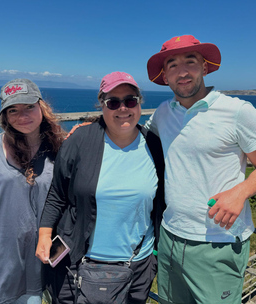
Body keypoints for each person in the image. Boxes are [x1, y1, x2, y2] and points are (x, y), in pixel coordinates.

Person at [145, 35, 256, 304]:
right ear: (165, 76)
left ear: (205, 68)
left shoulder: (237, 111)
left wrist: (240, 192)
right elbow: (132, 135)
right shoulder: (163, 112)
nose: (182, 71)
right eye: (172, 65)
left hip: (218, 243)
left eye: (190, 61)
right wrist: (92, 131)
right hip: (170, 236)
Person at [35, 71, 165, 304]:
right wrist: (44, 234)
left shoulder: (154, 144)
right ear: (101, 106)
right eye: (113, 102)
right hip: (77, 264)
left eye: (130, 100)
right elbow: (57, 193)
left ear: (139, 103)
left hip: (137, 267)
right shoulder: (80, 140)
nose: (123, 108)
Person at [0, 79, 66, 304]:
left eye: (29, 106)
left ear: (42, 107)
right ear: (5, 116)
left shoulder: (59, 152)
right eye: (13, 110)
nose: (22, 115)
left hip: (33, 261)